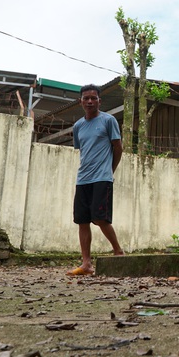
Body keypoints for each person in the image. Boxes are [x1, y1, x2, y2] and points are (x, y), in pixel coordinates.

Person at [66, 84, 124, 276]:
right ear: (80, 101)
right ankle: (86, 264)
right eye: (86, 98)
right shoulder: (78, 126)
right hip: (83, 179)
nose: (90, 101)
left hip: (102, 177)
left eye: (93, 98)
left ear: (99, 100)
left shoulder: (108, 121)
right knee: (82, 220)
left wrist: (110, 170)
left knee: (100, 218)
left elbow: (118, 147)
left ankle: (118, 252)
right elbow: (84, 151)